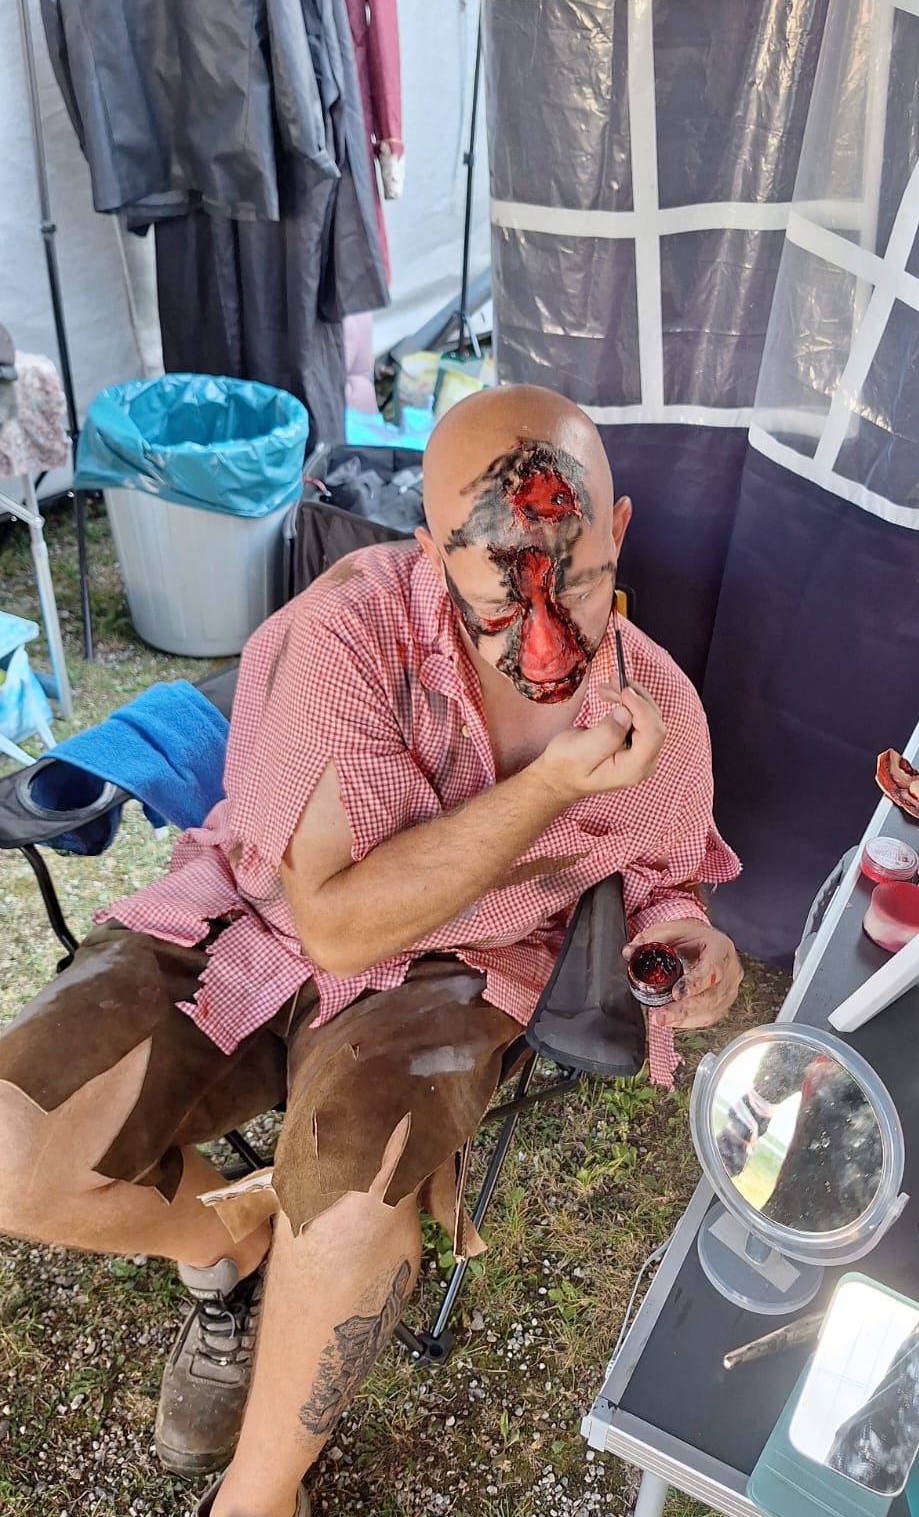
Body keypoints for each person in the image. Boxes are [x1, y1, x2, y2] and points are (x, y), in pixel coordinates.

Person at [0, 385, 742, 1517]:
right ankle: (225, 1236)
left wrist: (685, 937)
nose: (545, 644)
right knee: (11, 1151)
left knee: (351, 1197)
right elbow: (336, 924)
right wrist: (548, 785)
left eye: (581, 583)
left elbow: (663, 877)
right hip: (257, 917)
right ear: (429, 550)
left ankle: (258, 1494)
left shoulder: (664, 710)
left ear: (621, 529)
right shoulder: (350, 628)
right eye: (499, 600)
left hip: (451, 972)